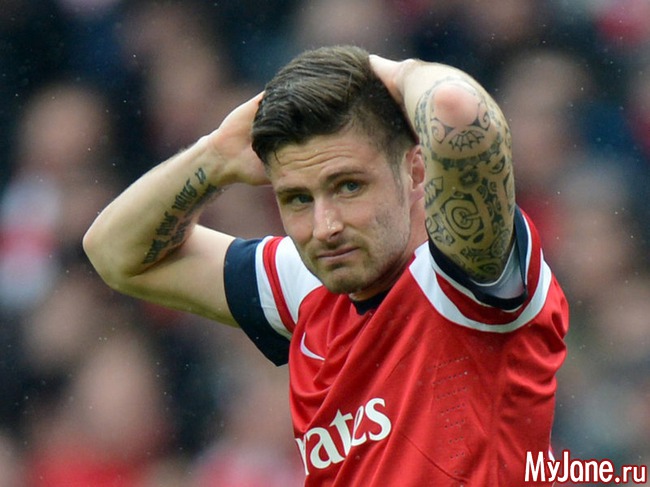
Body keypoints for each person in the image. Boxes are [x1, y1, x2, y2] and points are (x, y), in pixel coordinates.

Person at [83, 45, 569, 486]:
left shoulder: (468, 273)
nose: (325, 227)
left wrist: (389, 71)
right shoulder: (306, 283)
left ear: (416, 169)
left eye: (349, 186)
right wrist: (216, 157)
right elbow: (115, 252)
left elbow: (456, 111)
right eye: (298, 198)